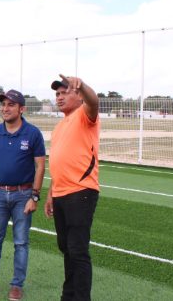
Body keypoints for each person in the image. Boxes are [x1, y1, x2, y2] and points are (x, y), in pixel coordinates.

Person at [0, 89, 46, 301]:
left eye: (10, 105)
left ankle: (16, 285)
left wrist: (34, 197)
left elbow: (40, 167)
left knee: (21, 242)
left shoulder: (33, 133)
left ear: (22, 109)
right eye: (3, 105)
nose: (5, 108)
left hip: (23, 195)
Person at [44, 74, 100, 301]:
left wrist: (83, 85)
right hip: (60, 194)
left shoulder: (85, 115)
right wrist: (50, 193)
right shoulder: (58, 127)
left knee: (77, 250)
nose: (59, 97)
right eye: (57, 94)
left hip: (81, 192)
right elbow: (57, 162)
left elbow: (95, 102)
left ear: (78, 95)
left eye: (64, 92)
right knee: (66, 248)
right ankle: (68, 296)